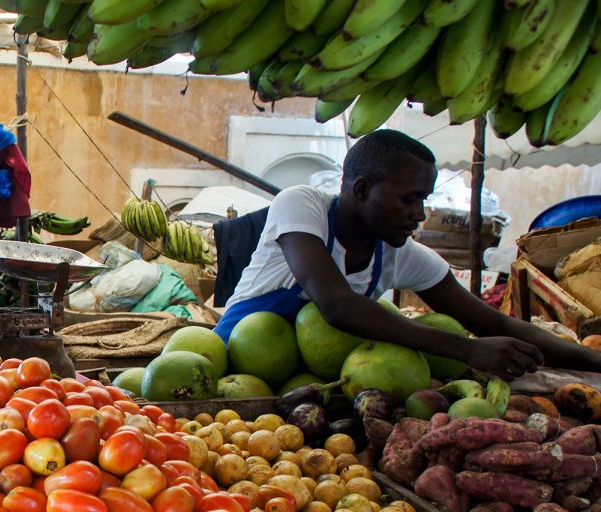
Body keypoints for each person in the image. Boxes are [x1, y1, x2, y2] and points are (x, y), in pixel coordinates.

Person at [213, 130, 601, 378]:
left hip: (307, 391)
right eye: (409, 199)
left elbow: (494, 323)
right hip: (229, 372)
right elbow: (336, 305)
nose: (419, 214)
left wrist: (591, 361)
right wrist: (466, 350)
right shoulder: (302, 206)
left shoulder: (401, 253)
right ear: (362, 189)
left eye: (424, 200)